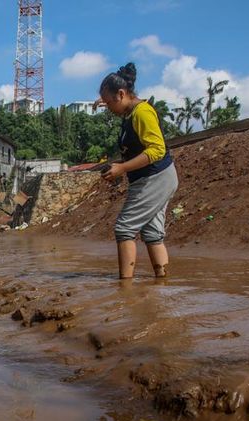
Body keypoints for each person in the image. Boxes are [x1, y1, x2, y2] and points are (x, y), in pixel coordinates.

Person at [96, 62, 179, 279]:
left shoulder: (142, 113)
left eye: (108, 102)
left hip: (155, 177)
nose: (107, 107)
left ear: (121, 94)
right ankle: (161, 284)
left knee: (124, 229)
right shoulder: (130, 113)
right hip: (155, 177)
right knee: (152, 234)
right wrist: (103, 101)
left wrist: (121, 168)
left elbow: (157, 150)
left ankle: (125, 288)